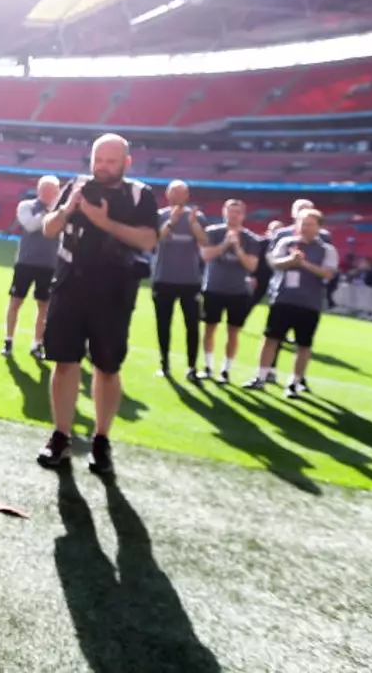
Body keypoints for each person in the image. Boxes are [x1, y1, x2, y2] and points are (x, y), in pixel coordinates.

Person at [35, 134, 158, 476]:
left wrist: (105, 223)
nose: (102, 167)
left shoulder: (140, 194)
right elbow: (48, 228)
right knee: (64, 361)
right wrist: (68, 207)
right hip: (70, 284)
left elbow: (149, 239)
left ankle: (101, 439)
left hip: (114, 291)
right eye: (98, 160)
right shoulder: (76, 185)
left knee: (107, 366)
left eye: (110, 161)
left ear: (126, 162)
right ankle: (61, 435)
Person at [244, 208, 338, 397]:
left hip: (309, 303)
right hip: (283, 299)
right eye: (302, 223)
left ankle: (294, 383)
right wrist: (290, 260)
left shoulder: (327, 250)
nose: (305, 227)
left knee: (303, 345)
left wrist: (304, 264)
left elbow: (328, 273)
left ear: (319, 227)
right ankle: (261, 377)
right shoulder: (286, 242)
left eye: (310, 224)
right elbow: (274, 263)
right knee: (270, 338)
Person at [198, 199, 261, 384]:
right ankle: (208, 367)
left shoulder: (251, 239)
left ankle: (225, 370)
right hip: (213, 288)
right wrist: (225, 244)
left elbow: (251, 266)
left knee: (233, 332)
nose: (233, 216)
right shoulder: (212, 232)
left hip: (239, 291)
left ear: (243, 215)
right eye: (230, 211)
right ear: (224, 212)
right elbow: (206, 255)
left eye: (237, 212)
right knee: (210, 328)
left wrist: (238, 249)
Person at [150, 180, 208, 378]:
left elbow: (204, 241)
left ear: (187, 195)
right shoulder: (160, 216)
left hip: (190, 280)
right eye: (174, 192)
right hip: (163, 278)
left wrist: (192, 224)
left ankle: (192, 367)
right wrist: (171, 222)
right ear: (167, 194)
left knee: (192, 325)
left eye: (181, 192)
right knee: (163, 323)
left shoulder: (197, 216)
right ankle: (164, 363)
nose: (177, 196)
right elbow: (154, 240)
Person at [4, 175, 60, 359]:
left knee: (44, 306)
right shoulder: (26, 206)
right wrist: (49, 211)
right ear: (38, 190)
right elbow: (30, 226)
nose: (48, 194)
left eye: (52, 191)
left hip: (49, 264)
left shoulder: (60, 212)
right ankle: (8, 340)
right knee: (15, 302)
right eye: (45, 190)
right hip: (26, 262)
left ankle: (37, 344)